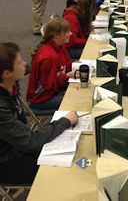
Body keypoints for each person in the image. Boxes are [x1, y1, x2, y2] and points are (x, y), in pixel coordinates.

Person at [0, 42, 78, 184]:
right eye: (19, 62)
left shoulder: (9, 82)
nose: (24, 63)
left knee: (72, 152)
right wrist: (65, 121)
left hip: (18, 143)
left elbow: (32, 64)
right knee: (63, 172)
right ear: (6, 74)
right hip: (7, 160)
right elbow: (30, 142)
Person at [27, 18, 80, 110]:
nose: (71, 34)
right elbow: (48, 86)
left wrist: (74, 67)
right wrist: (67, 75)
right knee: (79, 101)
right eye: (67, 32)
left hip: (54, 91)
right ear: (56, 35)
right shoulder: (49, 58)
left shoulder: (59, 46)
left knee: (82, 91)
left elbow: (65, 66)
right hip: (43, 99)